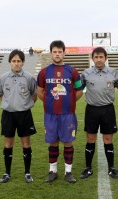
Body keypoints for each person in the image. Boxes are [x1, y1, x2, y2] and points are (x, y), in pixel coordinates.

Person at [37, 40, 83, 183]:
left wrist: (69, 102)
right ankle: (53, 171)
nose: (57, 54)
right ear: (51, 53)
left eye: (59, 52)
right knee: (53, 143)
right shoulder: (44, 72)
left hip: (67, 114)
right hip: (50, 114)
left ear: (64, 53)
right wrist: (50, 102)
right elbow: (39, 92)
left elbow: (80, 90)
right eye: (54, 52)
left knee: (68, 142)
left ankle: (68, 172)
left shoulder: (72, 71)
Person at [80, 47, 118, 179]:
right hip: (91, 110)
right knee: (90, 139)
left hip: (108, 109)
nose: (99, 60)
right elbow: (78, 89)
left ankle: (111, 168)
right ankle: (88, 168)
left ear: (105, 58)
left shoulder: (113, 73)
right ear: (92, 59)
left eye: (101, 57)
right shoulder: (85, 73)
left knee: (108, 139)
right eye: (96, 57)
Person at [0, 49, 37, 183]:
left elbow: (34, 95)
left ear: (23, 62)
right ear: (10, 62)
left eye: (19, 61)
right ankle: (7, 173)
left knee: (26, 143)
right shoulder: (3, 78)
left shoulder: (29, 78)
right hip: (8, 114)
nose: (16, 63)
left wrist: (23, 105)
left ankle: (27, 173)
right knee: (8, 144)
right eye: (14, 61)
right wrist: (9, 105)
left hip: (24, 114)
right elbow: (0, 95)